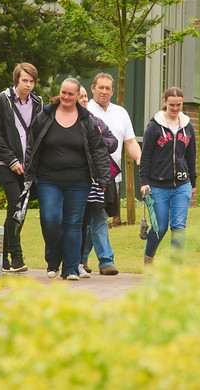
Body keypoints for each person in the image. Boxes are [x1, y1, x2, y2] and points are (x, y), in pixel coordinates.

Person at [26, 78, 111, 280]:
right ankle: (53, 260)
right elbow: (32, 144)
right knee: (50, 219)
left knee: (74, 223)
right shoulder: (45, 116)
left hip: (79, 181)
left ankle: (71, 268)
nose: (65, 97)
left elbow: (99, 150)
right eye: (63, 92)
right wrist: (29, 171)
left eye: (70, 94)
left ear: (77, 96)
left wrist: (103, 178)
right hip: (49, 179)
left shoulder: (86, 120)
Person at [0, 62, 43, 273]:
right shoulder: (1, 100)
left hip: (27, 164)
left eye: (32, 81)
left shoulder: (38, 102)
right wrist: (11, 160)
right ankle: (16, 258)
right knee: (15, 205)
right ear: (16, 80)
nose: (28, 85)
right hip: (4, 162)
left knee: (21, 209)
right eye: (24, 80)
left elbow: (37, 134)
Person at [83, 72, 142, 276]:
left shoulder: (121, 112)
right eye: (101, 87)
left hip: (112, 177)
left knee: (93, 219)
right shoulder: (85, 110)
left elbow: (131, 142)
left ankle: (80, 259)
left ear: (113, 90)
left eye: (108, 88)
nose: (105, 91)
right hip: (89, 177)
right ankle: (106, 261)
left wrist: (139, 160)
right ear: (93, 88)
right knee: (98, 217)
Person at [139, 87, 197, 263]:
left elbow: (191, 156)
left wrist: (192, 183)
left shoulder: (187, 127)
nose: (175, 108)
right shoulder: (154, 127)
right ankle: (149, 256)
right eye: (172, 104)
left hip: (182, 185)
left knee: (179, 227)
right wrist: (144, 182)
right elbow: (146, 157)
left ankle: (175, 267)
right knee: (160, 227)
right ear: (164, 103)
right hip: (158, 185)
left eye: (179, 105)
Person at [77, 86, 118, 277]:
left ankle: (106, 262)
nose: (85, 100)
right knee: (83, 222)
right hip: (76, 179)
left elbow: (113, 141)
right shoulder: (64, 122)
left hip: (98, 179)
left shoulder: (95, 121)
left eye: (85, 97)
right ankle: (80, 259)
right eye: (81, 96)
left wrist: (98, 139)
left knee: (99, 218)